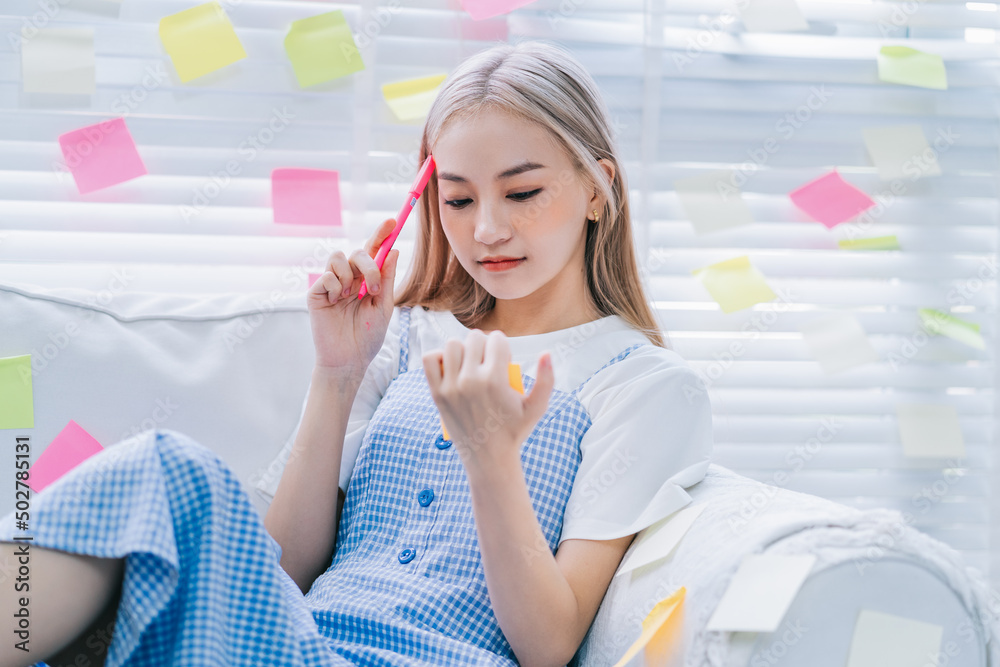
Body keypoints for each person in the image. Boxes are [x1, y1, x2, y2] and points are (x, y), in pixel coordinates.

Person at [0, 39, 713, 667]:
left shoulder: (646, 386)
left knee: (169, 468)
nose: (488, 229)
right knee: (159, 490)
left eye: (522, 191)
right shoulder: (407, 335)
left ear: (599, 189)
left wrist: (492, 457)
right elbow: (283, 566)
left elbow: (549, 644)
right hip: (298, 641)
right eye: (458, 201)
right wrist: (338, 374)